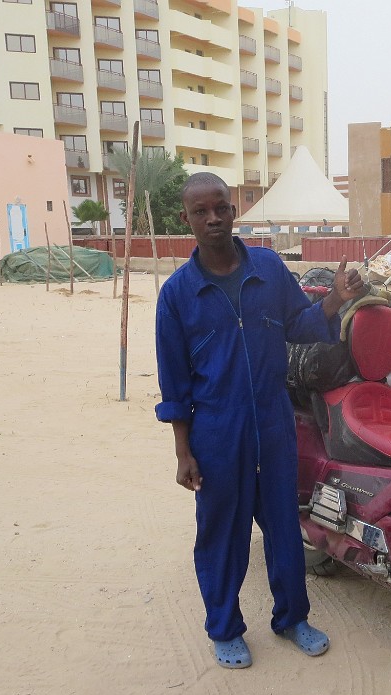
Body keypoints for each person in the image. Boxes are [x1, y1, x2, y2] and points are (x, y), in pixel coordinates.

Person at [154, 172, 365, 669]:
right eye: (200, 211)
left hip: (272, 422)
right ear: (186, 219)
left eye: (220, 208)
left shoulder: (269, 269)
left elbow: (303, 325)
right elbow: (175, 382)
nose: (212, 218)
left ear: (233, 211)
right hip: (216, 429)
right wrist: (184, 451)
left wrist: (335, 297)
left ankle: (292, 618)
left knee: (283, 527)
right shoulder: (177, 295)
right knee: (221, 532)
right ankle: (225, 628)